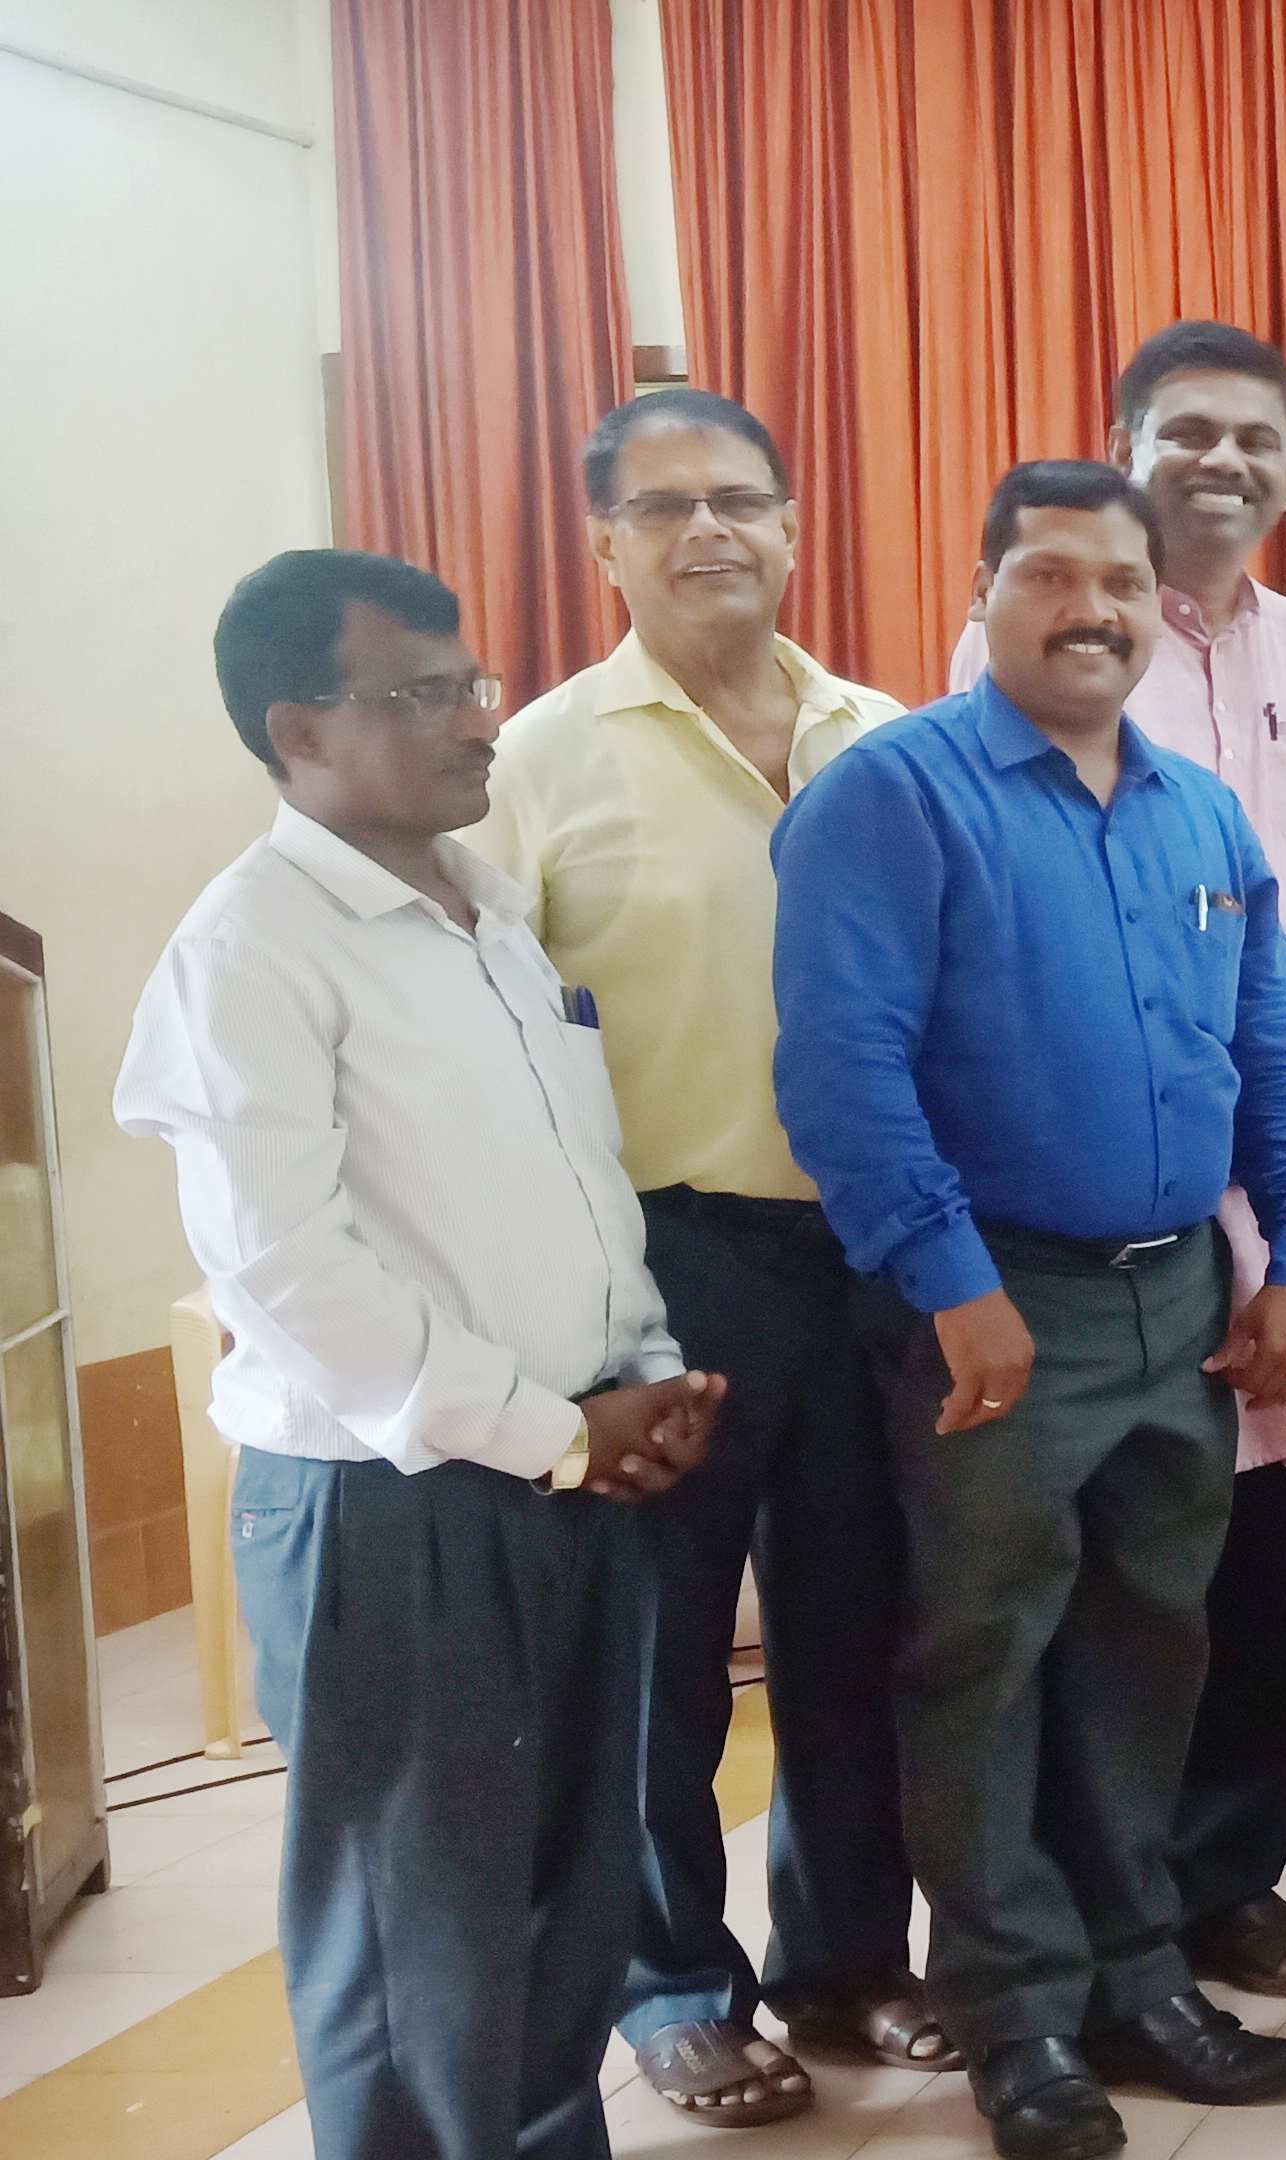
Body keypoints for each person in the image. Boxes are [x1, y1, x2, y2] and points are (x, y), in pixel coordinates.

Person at [121, 547, 727, 2160]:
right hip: (394, 1505)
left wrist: (640, 1374)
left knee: (562, 1900)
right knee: (420, 1940)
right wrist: (555, 1429)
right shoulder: (252, 949)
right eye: (422, 692)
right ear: (297, 729)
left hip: (560, 1474)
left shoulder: (488, 914)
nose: (478, 720)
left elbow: (577, 1182)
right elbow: (285, 1269)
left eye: (475, 683)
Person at [777, 462, 1286, 2158]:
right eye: (1050, 574)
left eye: (1122, 582)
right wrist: (953, 1284)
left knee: (1147, 1650)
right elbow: (843, 1070)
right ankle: (1015, 2014)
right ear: (981, 591)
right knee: (984, 1659)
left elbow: (1267, 1053)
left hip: (1180, 1299)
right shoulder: (894, 798)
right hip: (996, 1303)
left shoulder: (1198, 814)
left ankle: (1135, 1979)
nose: (1092, 610)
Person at [465, 390, 942, 2125]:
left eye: (738, 498)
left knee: (860, 1628)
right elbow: (486, 1038)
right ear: (604, 543)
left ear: (795, 526)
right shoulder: (537, 761)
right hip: (663, 1260)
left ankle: (849, 1959)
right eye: (661, 507)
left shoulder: (887, 737)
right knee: (661, 1651)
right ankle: (673, 1982)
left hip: (876, 1250)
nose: (707, 531)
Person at [950, 320, 1286, 2003]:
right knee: (1106, 1574)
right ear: (1128, 443)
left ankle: (1227, 1885)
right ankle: (1089, 1909)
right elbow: (997, 921)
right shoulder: (1036, 643)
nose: (1224, 461)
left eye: (1255, 437)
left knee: (1273, 1557)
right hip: (1096, 1195)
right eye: (1189, 431)